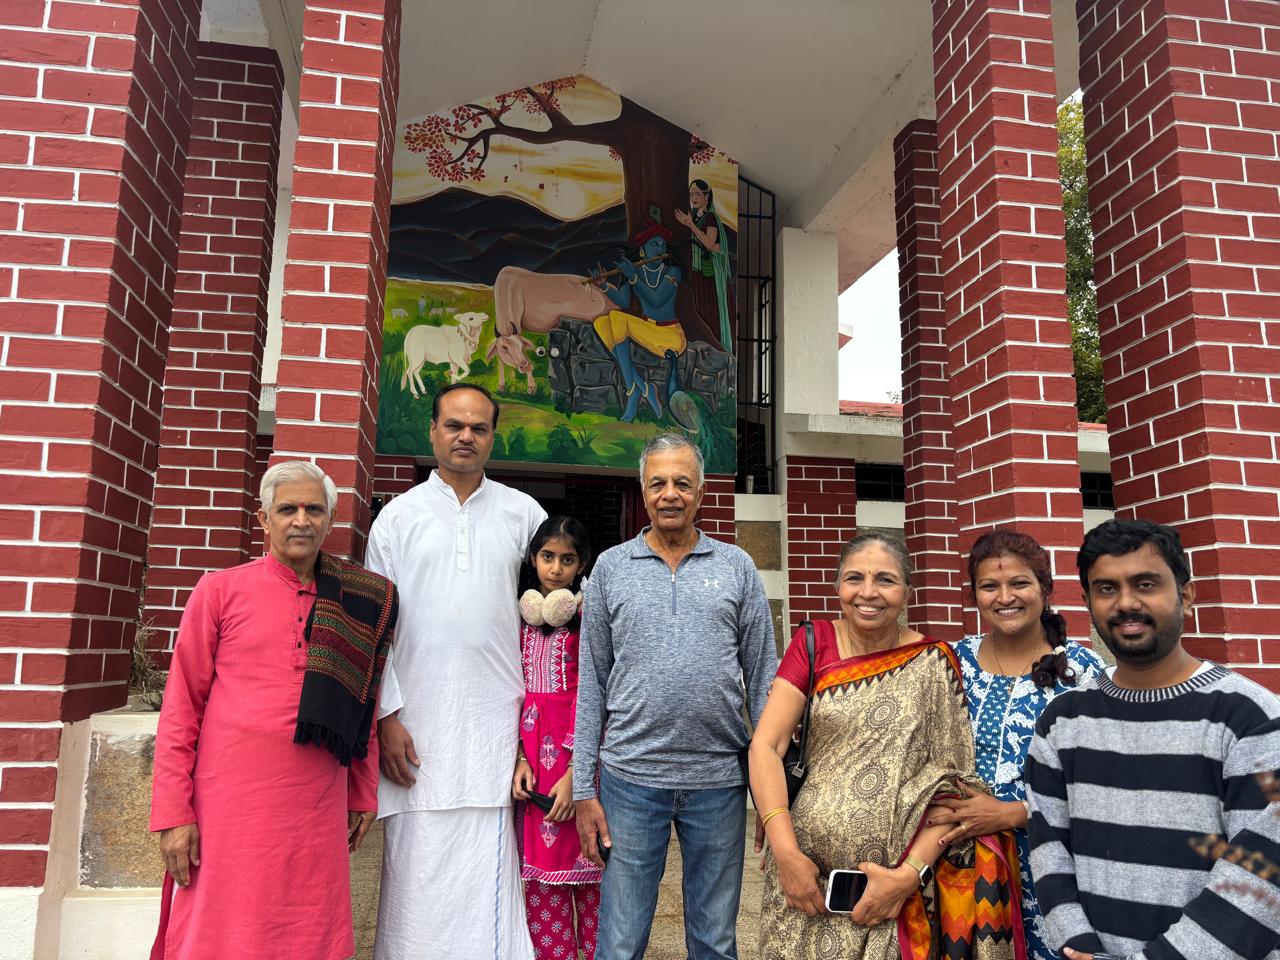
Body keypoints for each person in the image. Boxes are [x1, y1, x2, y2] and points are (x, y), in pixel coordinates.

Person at [149, 461, 397, 960]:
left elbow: (363, 704)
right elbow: (181, 706)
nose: (301, 520)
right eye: (287, 509)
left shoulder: (358, 599)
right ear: (263, 519)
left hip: (314, 807)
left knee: (306, 931)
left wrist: (364, 791)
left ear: (329, 520)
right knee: (218, 932)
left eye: (314, 509)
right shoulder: (218, 592)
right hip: (227, 807)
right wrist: (174, 812)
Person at [750, 532, 1025, 960]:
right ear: (838, 586)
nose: (868, 592)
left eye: (885, 580)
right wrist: (786, 854)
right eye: (854, 578)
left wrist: (909, 876)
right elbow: (766, 746)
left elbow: (952, 788)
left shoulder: (933, 662)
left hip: (897, 894)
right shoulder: (813, 643)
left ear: (907, 592)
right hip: (804, 881)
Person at [1027, 519, 1280, 960]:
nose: (1126, 603)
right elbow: (1049, 851)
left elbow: (1262, 879)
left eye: (1145, 583)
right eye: (1106, 589)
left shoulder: (1249, 717)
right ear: (1086, 601)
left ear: (1185, 592)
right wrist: (1079, 945)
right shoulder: (1061, 721)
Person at [574, 432, 777, 960]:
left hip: (720, 783)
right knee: (620, 941)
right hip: (630, 780)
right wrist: (582, 789)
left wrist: (772, 791)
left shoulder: (736, 568)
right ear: (642, 491)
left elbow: (763, 682)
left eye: (682, 483)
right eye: (658, 482)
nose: (670, 494)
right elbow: (591, 682)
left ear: (701, 491)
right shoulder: (611, 569)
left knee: (715, 940)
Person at [367, 383, 546, 960]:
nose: (465, 436)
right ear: (433, 431)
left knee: (489, 880)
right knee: (415, 879)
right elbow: (376, 629)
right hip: (416, 731)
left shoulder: (524, 515)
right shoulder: (396, 519)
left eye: (478, 427)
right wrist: (387, 718)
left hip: (496, 726)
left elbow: (553, 626)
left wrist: (535, 735)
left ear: (493, 436)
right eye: (454, 425)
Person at [942, 529, 1107, 960]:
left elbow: (1104, 783)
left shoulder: (1084, 671)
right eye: (989, 586)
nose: (1004, 597)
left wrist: (1010, 813)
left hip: (1055, 867)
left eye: (1019, 583)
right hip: (962, 866)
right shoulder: (951, 663)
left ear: (1045, 589)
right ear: (974, 594)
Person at [512, 516, 602, 960]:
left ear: (581, 564)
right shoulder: (522, 622)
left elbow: (594, 698)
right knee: (541, 894)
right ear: (534, 559)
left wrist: (575, 774)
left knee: (597, 897)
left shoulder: (588, 624)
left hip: (577, 764)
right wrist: (519, 759)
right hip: (533, 766)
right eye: (547, 557)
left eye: (567, 560)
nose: (555, 568)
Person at [592, 219, 696, 428]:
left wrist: (632, 279)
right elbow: (622, 301)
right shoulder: (637, 271)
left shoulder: (671, 272)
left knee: (617, 318)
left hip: (670, 336)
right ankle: (643, 388)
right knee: (602, 323)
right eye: (654, 244)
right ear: (642, 250)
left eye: (663, 245)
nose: (660, 248)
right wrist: (605, 286)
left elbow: (656, 300)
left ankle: (633, 393)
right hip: (649, 329)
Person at [674, 178, 734, 352]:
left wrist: (690, 224)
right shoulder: (695, 216)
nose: (694, 197)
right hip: (698, 270)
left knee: (709, 309)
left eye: (698, 194)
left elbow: (709, 243)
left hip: (710, 273)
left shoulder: (710, 218)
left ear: (707, 197)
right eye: (691, 194)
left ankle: (714, 347)